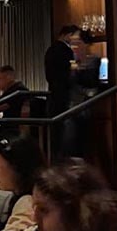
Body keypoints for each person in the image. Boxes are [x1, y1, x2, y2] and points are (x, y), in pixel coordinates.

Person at [44, 26, 98, 158]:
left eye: (77, 43)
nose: (74, 46)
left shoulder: (93, 61)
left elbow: (93, 85)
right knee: (65, 145)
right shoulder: (71, 62)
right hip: (69, 109)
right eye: (72, 43)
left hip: (82, 109)